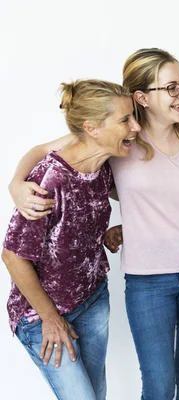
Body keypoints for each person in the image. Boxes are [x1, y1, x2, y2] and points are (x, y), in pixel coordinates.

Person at [8, 48, 179, 400]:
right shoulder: (109, 147)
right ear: (142, 97)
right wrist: (16, 182)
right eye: (171, 87)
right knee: (158, 385)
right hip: (132, 284)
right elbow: (44, 152)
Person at [2, 79, 140, 399]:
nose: (135, 127)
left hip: (92, 299)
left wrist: (110, 231)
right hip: (44, 315)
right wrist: (50, 319)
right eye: (125, 120)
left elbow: (134, 201)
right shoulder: (50, 179)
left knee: (96, 394)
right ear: (91, 128)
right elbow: (12, 256)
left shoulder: (102, 164)